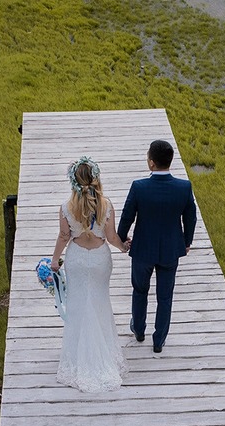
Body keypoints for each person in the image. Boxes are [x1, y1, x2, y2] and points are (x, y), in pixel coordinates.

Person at [50, 156, 131, 392]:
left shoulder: (66, 207)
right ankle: (103, 351)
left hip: (76, 259)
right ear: (96, 178)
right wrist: (124, 247)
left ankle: (78, 355)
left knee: (78, 304)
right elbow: (113, 237)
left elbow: (64, 236)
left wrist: (55, 260)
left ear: (73, 181)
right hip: (99, 259)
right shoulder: (106, 205)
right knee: (100, 302)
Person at [117, 139, 197, 354]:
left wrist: (122, 238)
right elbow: (190, 218)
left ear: (151, 163)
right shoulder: (183, 187)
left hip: (143, 249)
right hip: (171, 250)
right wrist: (186, 242)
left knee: (140, 290)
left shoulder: (139, 187)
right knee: (165, 296)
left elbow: (127, 217)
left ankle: (139, 329)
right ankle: (159, 340)